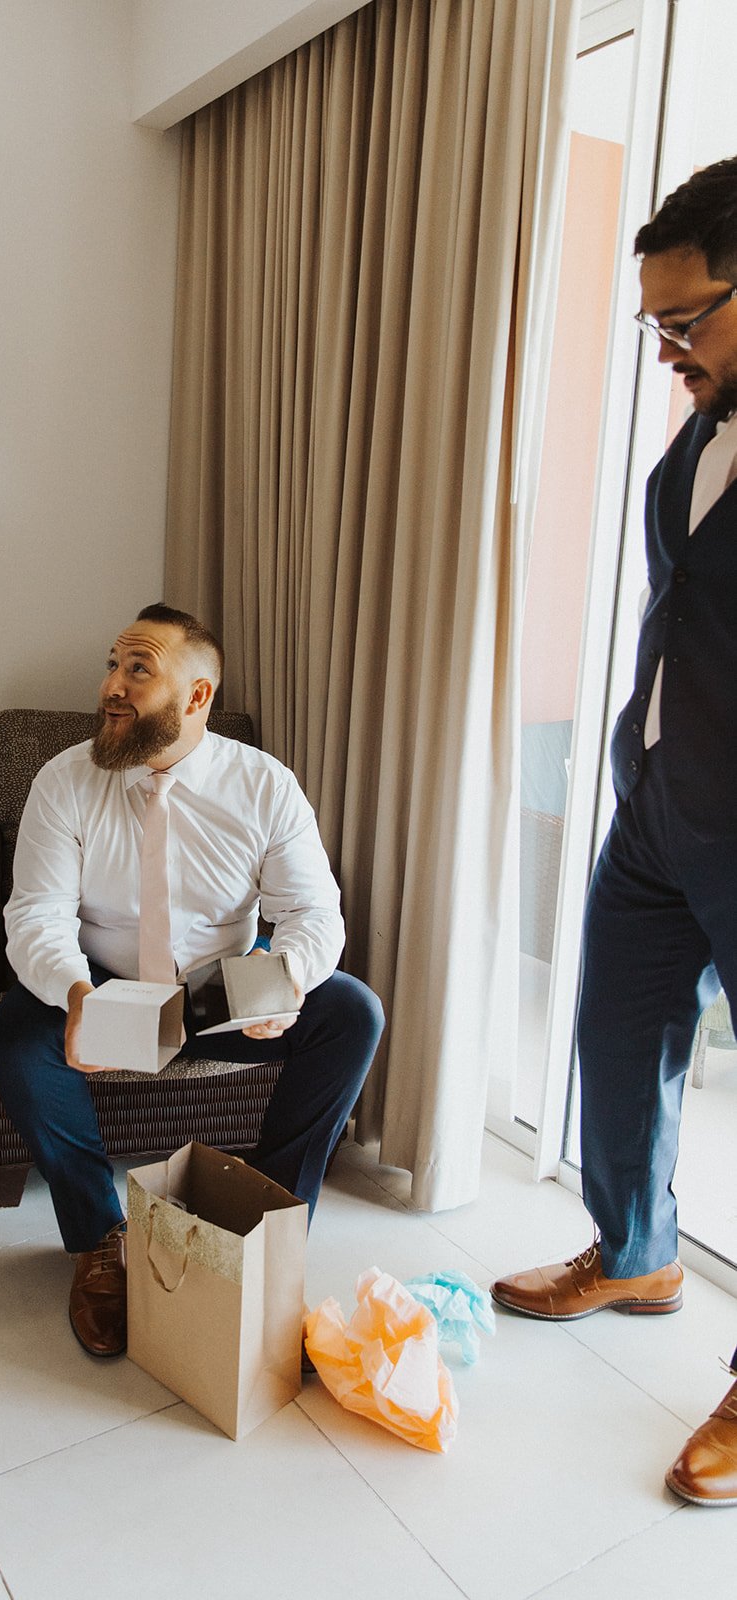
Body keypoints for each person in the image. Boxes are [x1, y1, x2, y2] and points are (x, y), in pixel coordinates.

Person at [492, 156, 737, 1507]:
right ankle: (633, 1250)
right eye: (649, 325)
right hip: (653, 810)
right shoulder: (696, 436)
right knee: (613, 1037)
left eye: (685, 321)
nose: (664, 353)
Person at [0, 602, 385, 1357]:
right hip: (102, 981)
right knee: (14, 1036)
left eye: (138, 670)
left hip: (217, 990)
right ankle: (98, 1237)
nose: (112, 685)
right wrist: (76, 996)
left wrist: (289, 978)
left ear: (196, 697)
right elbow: (34, 916)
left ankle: (263, 1215)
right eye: (112, 665)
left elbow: (312, 911)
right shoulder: (63, 781)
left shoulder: (264, 786)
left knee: (352, 1014)